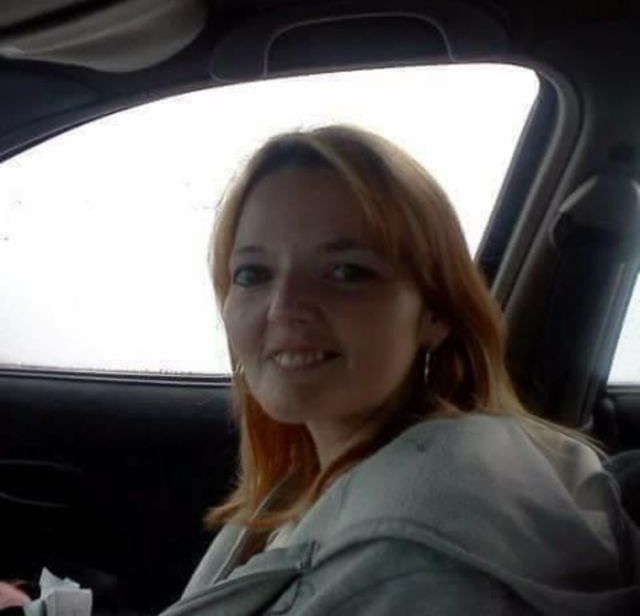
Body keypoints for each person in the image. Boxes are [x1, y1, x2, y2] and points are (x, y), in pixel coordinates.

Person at [158, 124, 640, 616]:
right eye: (252, 274)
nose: (283, 307)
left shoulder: (415, 567)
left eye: (346, 272)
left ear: (436, 313)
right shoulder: (318, 479)